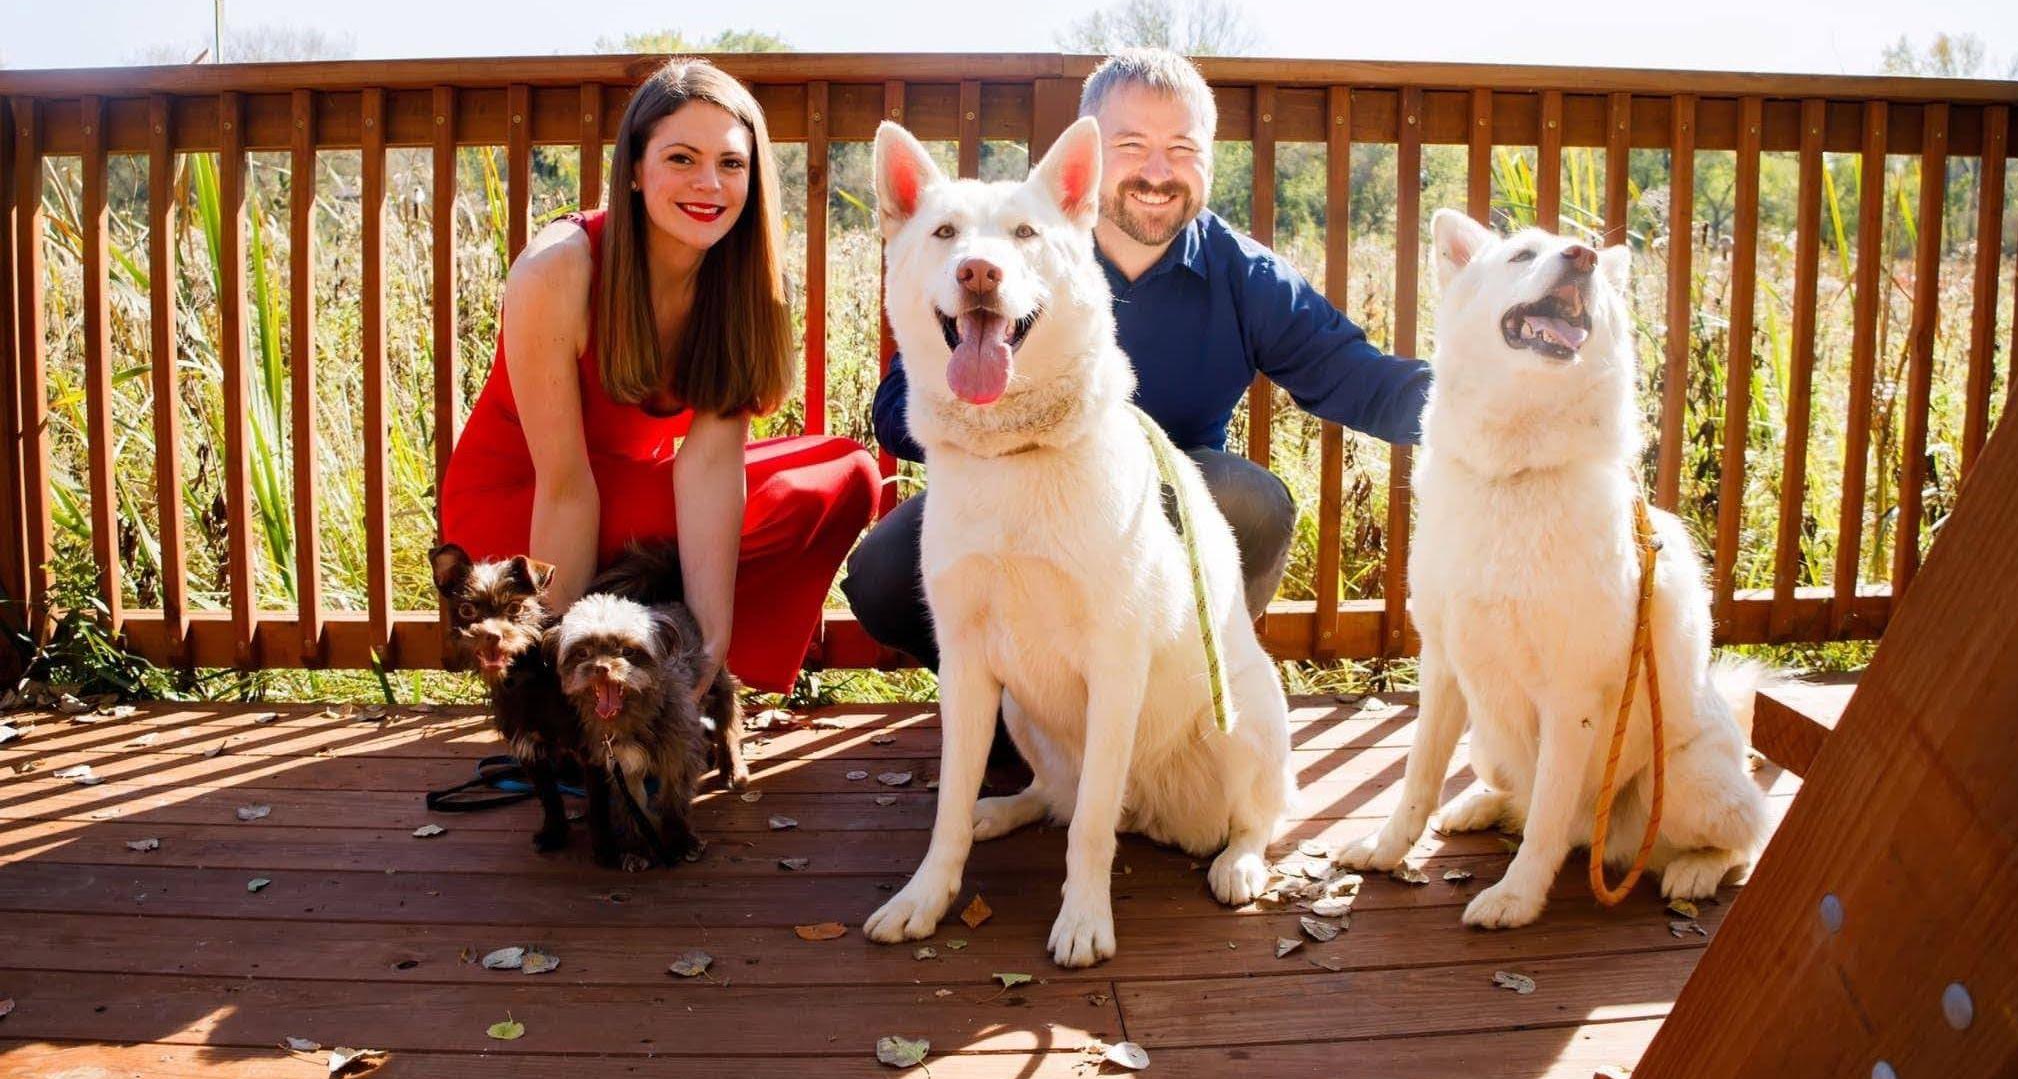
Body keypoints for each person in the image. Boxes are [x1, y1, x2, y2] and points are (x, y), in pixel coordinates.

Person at [845, 47, 1431, 666]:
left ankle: (1193, 690)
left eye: (1183, 148)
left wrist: (1507, 396)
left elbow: (1362, 379)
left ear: (1210, 158)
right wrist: (1002, 425)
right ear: (1088, 164)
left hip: (1161, 512)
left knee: (1248, 501)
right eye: (1130, 146)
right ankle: (1018, 718)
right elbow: (894, 410)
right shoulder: (1013, 250)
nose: (1158, 172)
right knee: (884, 573)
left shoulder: (1247, 277)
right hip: (1002, 499)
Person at [440, 59, 881, 696]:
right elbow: (565, 487)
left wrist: (710, 645)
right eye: (681, 158)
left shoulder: (742, 282)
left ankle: (688, 681)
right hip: (525, 510)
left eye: (731, 164)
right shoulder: (558, 270)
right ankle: (599, 679)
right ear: (637, 172)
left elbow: (709, 466)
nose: (709, 184)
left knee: (845, 471)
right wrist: (554, 666)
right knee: (789, 494)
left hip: (625, 492)